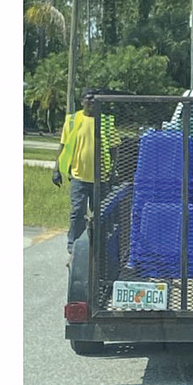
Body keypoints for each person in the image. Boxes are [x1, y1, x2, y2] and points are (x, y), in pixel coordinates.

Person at [53, 89, 115, 264]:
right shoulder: (72, 120)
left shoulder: (106, 121)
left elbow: (114, 147)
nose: (92, 102)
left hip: (100, 179)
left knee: (101, 214)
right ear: (82, 101)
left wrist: (112, 170)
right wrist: (56, 168)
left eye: (95, 99)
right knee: (77, 212)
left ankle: (99, 250)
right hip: (79, 177)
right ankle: (73, 248)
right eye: (89, 99)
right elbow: (62, 145)